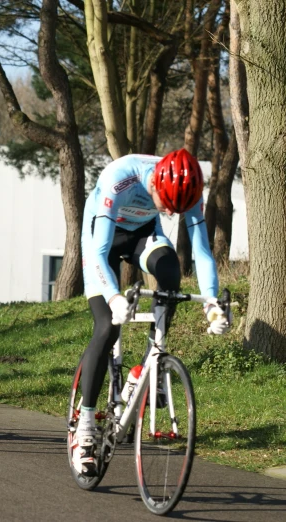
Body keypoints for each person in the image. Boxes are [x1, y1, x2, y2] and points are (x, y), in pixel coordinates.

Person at [72, 149, 231, 477]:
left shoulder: (189, 192)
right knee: (106, 326)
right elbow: (99, 254)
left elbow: (202, 252)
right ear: (155, 181)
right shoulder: (121, 178)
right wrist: (114, 297)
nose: (170, 211)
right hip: (101, 239)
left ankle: (148, 367)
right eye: (165, 203)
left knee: (171, 270)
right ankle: (84, 428)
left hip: (142, 235)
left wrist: (213, 303)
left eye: (177, 209)